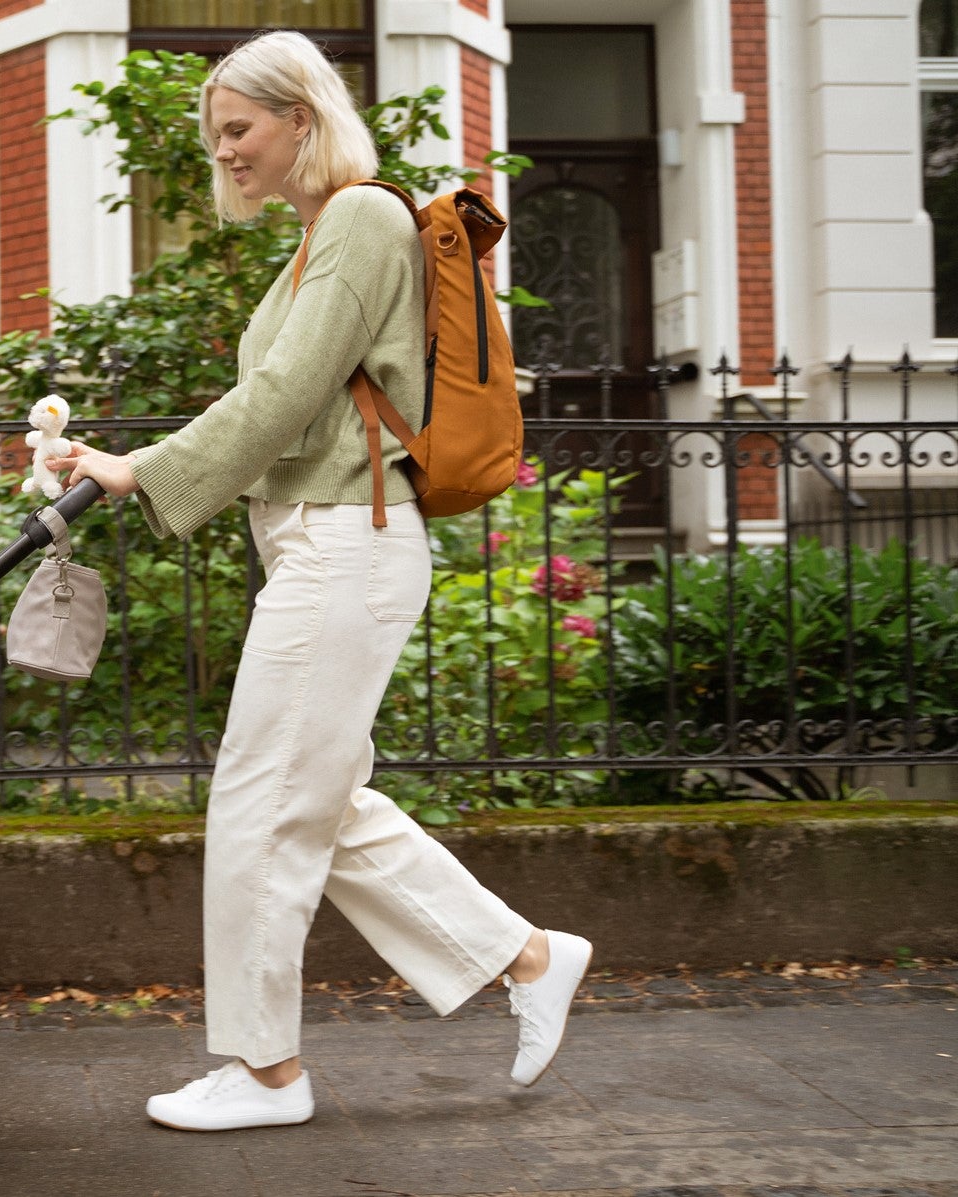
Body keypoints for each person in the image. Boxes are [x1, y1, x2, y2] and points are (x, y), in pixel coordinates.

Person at [45, 30, 594, 1133]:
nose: (225, 154)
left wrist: (133, 471)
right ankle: (528, 958)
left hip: (348, 543)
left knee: (261, 803)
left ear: (302, 114)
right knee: (321, 801)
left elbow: (287, 394)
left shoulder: (358, 218)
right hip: (321, 544)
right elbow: (293, 400)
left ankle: (264, 1072)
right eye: (214, 138)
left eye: (238, 129)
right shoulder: (315, 241)